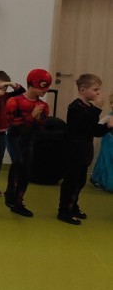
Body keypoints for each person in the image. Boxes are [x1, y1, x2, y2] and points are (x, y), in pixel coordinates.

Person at [57, 75, 113, 225]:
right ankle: (64, 210)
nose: (98, 93)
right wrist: (98, 109)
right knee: (71, 181)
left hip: (85, 149)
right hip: (74, 149)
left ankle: (73, 205)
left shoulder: (89, 108)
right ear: (83, 90)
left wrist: (107, 127)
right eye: (95, 89)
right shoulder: (75, 107)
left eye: (99, 89)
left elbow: (93, 130)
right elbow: (80, 126)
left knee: (80, 180)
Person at [4, 68, 52, 217]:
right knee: (18, 162)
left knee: (26, 170)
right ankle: (10, 193)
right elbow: (13, 124)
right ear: (33, 83)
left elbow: (41, 127)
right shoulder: (14, 101)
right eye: (43, 85)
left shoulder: (43, 106)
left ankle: (18, 202)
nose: (46, 90)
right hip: (15, 137)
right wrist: (32, 116)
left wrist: (37, 119)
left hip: (29, 139)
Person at [90, 91, 113, 192]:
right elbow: (99, 124)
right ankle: (101, 180)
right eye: (111, 103)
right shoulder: (110, 116)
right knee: (106, 160)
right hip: (109, 142)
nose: (112, 105)